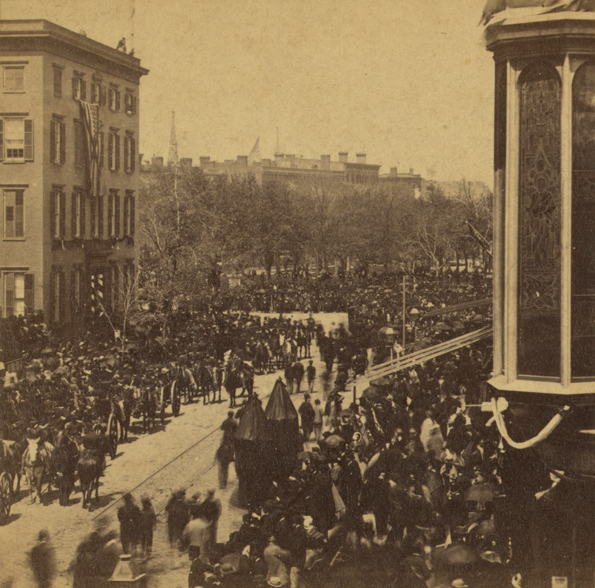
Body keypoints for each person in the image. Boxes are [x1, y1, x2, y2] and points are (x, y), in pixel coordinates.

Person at [217, 411, 237, 489]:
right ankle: (232, 456)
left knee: (223, 443)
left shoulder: (225, 421)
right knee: (233, 446)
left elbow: (222, 428)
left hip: (226, 436)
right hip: (232, 437)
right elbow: (237, 428)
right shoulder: (234, 421)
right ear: (232, 415)